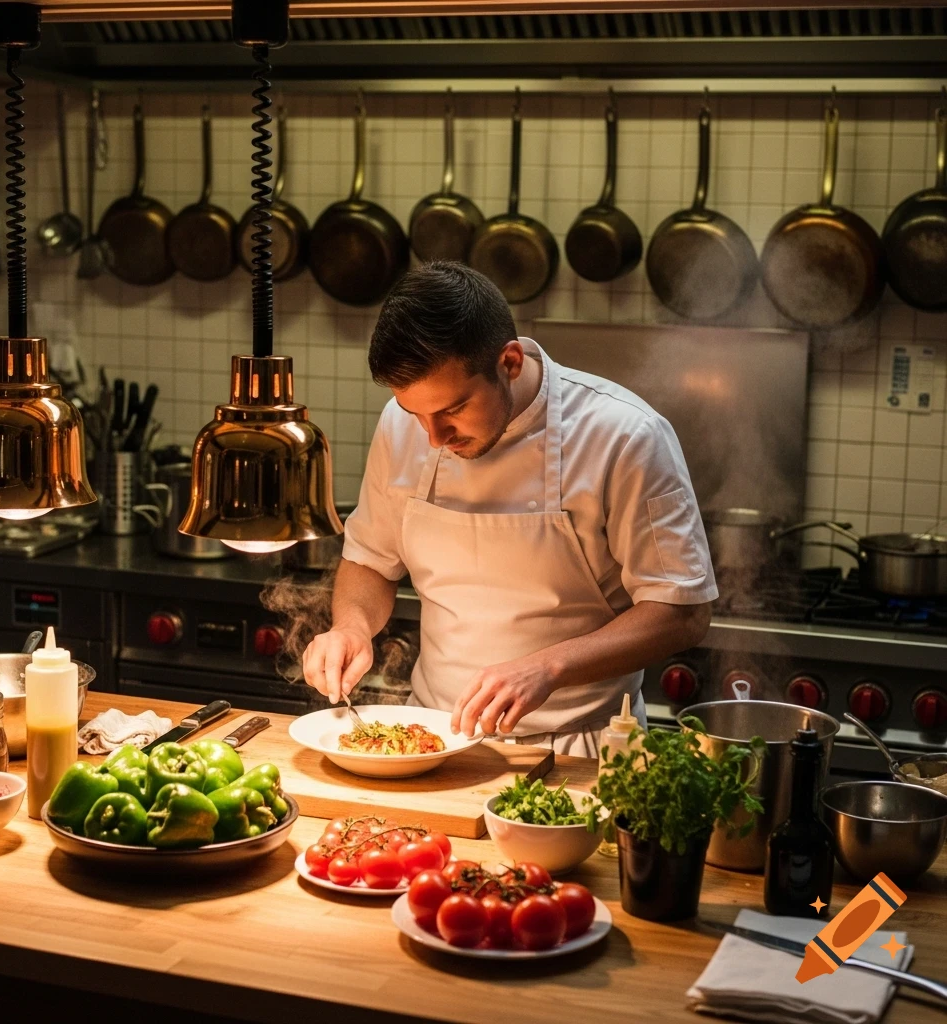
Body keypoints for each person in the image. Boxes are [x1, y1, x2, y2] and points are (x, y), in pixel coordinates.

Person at [302, 261, 717, 757]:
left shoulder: (625, 436)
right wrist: (350, 626)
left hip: (579, 746)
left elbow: (682, 612)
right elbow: (370, 561)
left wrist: (548, 668)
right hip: (433, 740)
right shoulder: (401, 424)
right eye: (418, 415)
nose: (434, 437)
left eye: (453, 409)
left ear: (510, 362)